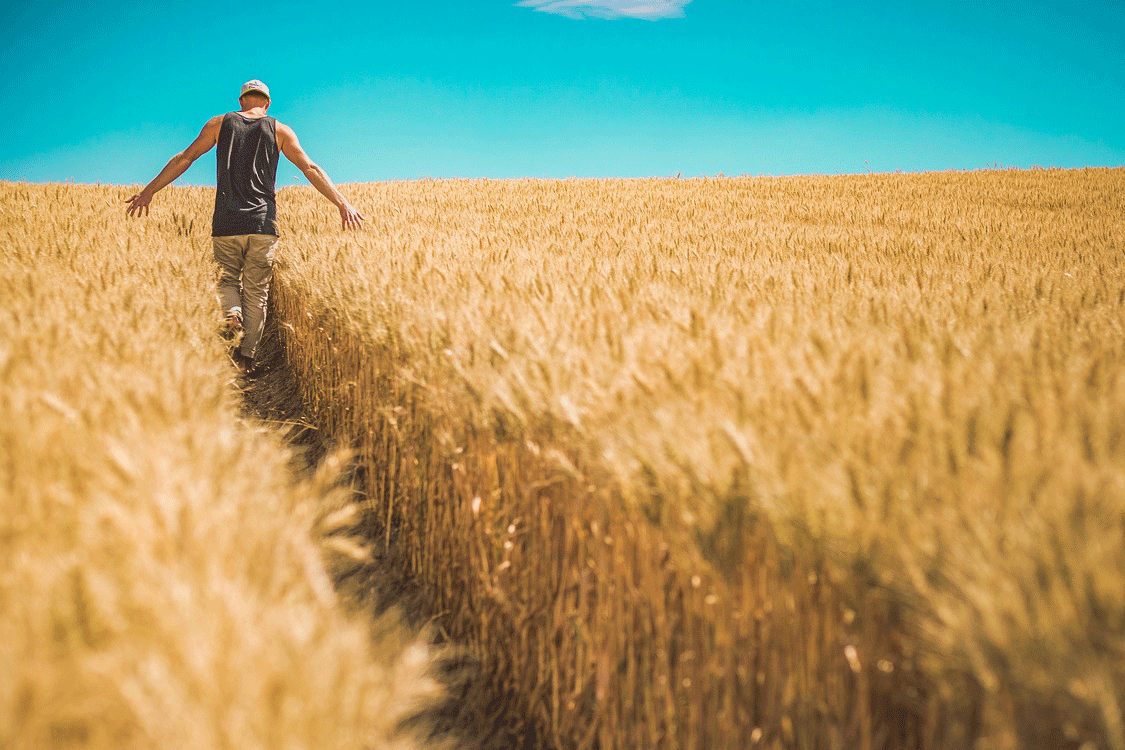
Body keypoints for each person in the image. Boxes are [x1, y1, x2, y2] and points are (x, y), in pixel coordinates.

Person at [125, 79, 364, 375]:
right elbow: (310, 168)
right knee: (257, 293)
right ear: (267, 103)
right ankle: (246, 359)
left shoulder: (218, 124)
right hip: (263, 224)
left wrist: (149, 191)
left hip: (226, 221)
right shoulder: (280, 130)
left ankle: (231, 313)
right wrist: (342, 204)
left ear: (241, 101)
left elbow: (185, 158)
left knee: (226, 282)